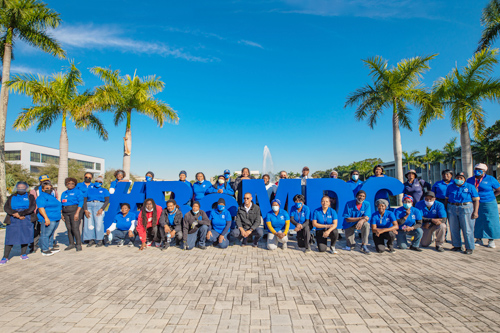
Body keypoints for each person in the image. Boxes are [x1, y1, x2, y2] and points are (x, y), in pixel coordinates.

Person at [1, 182, 36, 264]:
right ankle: (5, 257)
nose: (21, 188)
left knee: (25, 236)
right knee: (10, 238)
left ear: (26, 188)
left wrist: (21, 214)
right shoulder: (11, 197)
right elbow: (6, 207)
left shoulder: (30, 196)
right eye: (19, 187)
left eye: (23, 187)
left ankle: (23, 254)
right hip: (13, 218)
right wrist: (15, 214)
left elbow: (32, 207)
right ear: (16, 188)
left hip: (26, 218)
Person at [445, 172, 480, 255]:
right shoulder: (450, 186)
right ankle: (457, 245)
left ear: (464, 179)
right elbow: (446, 198)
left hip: (466, 208)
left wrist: (475, 212)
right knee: (454, 228)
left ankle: (469, 247)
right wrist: (445, 210)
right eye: (458, 177)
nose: (459, 179)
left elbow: (476, 200)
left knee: (467, 229)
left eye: (461, 178)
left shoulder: (470, 187)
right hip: (452, 208)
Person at [467, 163, 500, 248]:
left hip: (489, 203)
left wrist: (492, 196)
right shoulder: (470, 180)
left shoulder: (490, 179)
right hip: (475, 203)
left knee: (490, 221)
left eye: (479, 169)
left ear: (484, 171)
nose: (477, 171)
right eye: (476, 169)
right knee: (477, 221)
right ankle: (478, 239)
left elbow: (498, 190)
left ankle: (491, 240)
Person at [29, 175, 57, 253]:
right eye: (43, 181)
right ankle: (33, 246)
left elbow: (56, 199)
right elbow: (32, 202)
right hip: (39, 213)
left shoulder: (53, 190)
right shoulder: (35, 190)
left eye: (47, 180)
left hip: (51, 214)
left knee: (50, 230)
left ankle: (49, 245)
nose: (46, 182)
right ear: (40, 182)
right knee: (37, 231)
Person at [36, 182, 62, 256]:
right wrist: (46, 218)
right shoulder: (41, 197)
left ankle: (50, 246)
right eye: (47, 188)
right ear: (43, 189)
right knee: (46, 234)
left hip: (56, 218)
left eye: (51, 188)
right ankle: (45, 249)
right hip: (48, 218)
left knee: (51, 233)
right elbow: (41, 208)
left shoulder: (52, 196)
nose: (49, 190)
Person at [83, 176, 110, 247]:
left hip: (99, 206)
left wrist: (102, 209)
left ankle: (100, 239)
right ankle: (90, 239)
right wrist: (85, 209)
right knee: (89, 223)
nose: (98, 183)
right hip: (89, 206)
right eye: (97, 181)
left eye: (100, 182)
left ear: (102, 183)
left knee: (99, 223)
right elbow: (84, 200)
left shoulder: (104, 190)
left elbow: (107, 200)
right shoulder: (89, 190)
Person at [342, 190, 371, 254]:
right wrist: (360, 218)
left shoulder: (367, 204)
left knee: (366, 224)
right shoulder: (349, 204)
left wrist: (361, 221)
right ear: (356, 196)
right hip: (349, 224)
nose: (361, 197)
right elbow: (347, 219)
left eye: (363, 196)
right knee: (350, 246)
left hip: (360, 223)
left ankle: (364, 245)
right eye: (360, 195)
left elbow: (367, 217)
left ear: (365, 198)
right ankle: (351, 243)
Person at [60, 178, 84, 251]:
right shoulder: (64, 193)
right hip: (65, 212)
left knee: (75, 228)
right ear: (66, 184)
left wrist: (77, 213)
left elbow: (80, 202)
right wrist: (62, 214)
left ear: (75, 184)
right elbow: (61, 203)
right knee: (69, 228)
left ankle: (78, 244)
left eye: (72, 183)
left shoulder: (78, 192)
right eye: (68, 183)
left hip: (74, 211)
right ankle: (71, 244)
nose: (70, 185)